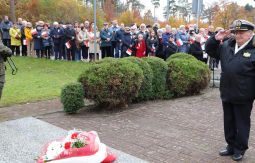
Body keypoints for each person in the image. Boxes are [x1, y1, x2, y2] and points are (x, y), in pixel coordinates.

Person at [205, 19, 255, 161]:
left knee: (242, 123)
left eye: (241, 33)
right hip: (227, 92)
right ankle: (231, 146)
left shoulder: (253, 50)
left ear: (250, 34)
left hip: (244, 95)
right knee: (229, 121)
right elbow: (210, 50)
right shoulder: (226, 45)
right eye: (235, 32)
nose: (237, 35)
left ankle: (240, 149)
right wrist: (215, 38)